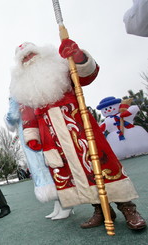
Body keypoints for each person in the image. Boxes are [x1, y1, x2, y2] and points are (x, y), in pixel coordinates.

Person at [8, 40, 146, 230]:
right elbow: (27, 117)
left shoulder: (60, 68)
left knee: (102, 163)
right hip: (52, 136)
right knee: (75, 172)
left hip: (79, 126)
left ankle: (127, 208)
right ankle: (100, 209)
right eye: (24, 58)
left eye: (32, 54)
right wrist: (32, 136)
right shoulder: (24, 90)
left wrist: (79, 57)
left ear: (41, 54)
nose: (29, 59)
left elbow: (87, 75)